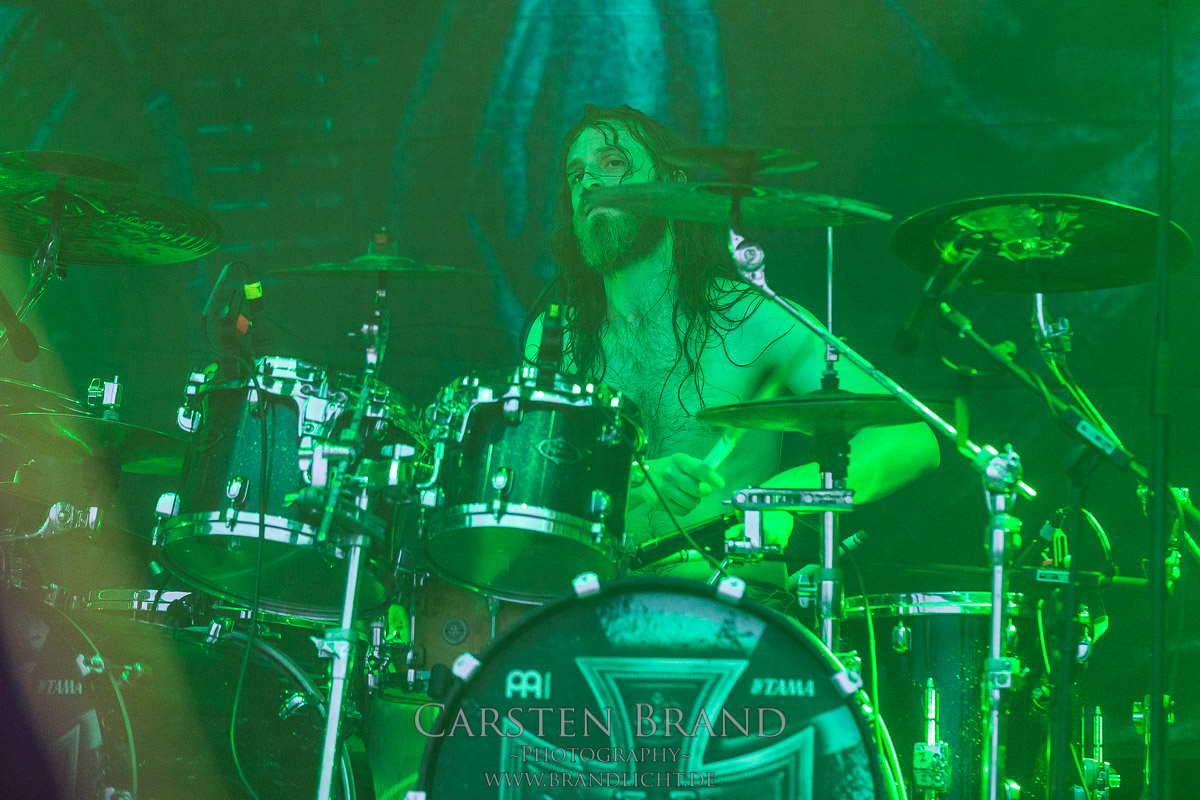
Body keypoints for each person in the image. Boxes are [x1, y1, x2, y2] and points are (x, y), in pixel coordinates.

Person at [527, 104, 939, 590]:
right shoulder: (556, 340)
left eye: (612, 163)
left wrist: (778, 497)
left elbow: (912, 438)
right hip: (595, 605)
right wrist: (635, 480)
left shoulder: (753, 319)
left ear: (672, 184)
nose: (590, 183)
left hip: (731, 605)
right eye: (576, 175)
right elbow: (531, 489)